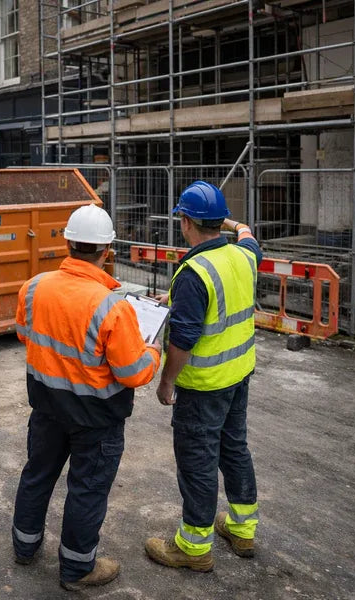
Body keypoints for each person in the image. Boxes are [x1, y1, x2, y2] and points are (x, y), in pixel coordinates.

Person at [12, 204, 162, 590]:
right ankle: (78, 569)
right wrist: (153, 350)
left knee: (37, 474)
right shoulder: (113, 306)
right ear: (106, 251)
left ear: (67, 243)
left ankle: (25, 547)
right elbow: (134, 373)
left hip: (46, 407)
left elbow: (25, 335)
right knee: (87, 490)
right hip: (96, 419)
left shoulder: (34, 287)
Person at [145, 181, 262, 572]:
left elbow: (183, 339)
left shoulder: (194, 271)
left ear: (185, 222)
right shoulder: (245, 254)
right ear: (219, 221)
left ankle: (193, 548)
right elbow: (246, 232)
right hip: (239, 376)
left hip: (203, 388)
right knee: (234, 449)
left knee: (198, 462)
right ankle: (243, 530)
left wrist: (166, 382)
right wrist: (230, 221)